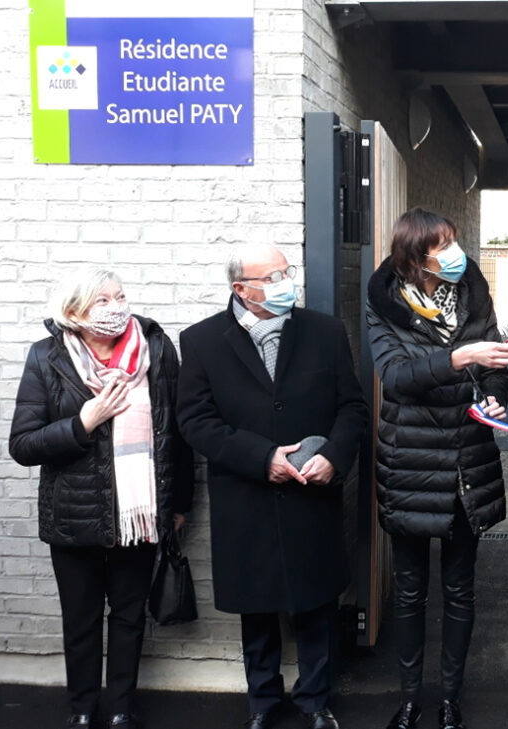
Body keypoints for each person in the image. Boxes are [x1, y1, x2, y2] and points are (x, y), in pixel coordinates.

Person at [175, 244, 368, 729]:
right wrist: (262, 459)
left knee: (318, 604)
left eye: (287, 272)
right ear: (241, 288)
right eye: (273, 277)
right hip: (247, 495)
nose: (287, 283)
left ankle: (315, 700)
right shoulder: (201, 341)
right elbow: (195, 422)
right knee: (256, 606)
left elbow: (352, 407)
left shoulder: (324, 332)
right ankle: (262, 702)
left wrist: (334, 456)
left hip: (312, 492)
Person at [9, 270, 193, 729]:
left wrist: (179, 503)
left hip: (140, 513)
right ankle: (83, 709)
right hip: (75, 516)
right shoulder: (46, 356)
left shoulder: (155, 349)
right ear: (74, 312)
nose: (116, 307)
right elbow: (23, 445)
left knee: (129, 617)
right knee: (81, 620)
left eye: (120, 296)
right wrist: (82, 423)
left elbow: (177, 431)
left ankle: (121, 709)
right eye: (102, 301)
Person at [365, 208, 508, 729]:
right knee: (410, 591)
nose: (455, 253)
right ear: (415, 257)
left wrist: (496, 395)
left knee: (459, 588)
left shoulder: (472, 290)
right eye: (442, 245)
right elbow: (395, 376)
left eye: (454, 241)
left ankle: (450, 699)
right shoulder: (385, 301)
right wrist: (457, 359)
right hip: (409, 461)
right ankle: (410, 700)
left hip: (466, 461)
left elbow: (494, 364)